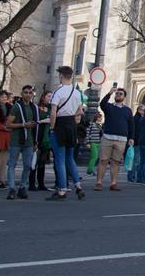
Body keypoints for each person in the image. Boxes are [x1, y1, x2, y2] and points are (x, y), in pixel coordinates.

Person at [48, 67, 85, 200]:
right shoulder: (76, 92)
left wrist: (52, 127)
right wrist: (72, 114)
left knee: (60, 159)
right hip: (71, 125)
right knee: (70, 157)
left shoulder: (58, 92)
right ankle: (78, 186)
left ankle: (62, 189)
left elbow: (53, 112)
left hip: (60, 125)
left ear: (61, 76)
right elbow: (80, 111)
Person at [94, 84, 134, 192]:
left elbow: (131, 125)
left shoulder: (128, 110)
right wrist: (110, 93)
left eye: (120, 94)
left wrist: (131, 137)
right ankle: (99, 182)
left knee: (116, 162)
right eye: (117, 93)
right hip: (107, 137)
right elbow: (102, 103)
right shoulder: (109, 107)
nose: (118, 95)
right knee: (103, 161)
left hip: (121, 139)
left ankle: (113, 183)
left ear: (124, 97)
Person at [5, 85, 38, 200]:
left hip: (29, 141)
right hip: (16, 140)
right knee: (12, 164)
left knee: (28, 165)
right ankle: (12, 188)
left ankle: (22, 187)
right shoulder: (16, 107)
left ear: (32, 94)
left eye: (30, 92)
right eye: (26, 92)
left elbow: (35, 126)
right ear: (22, 94)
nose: (28, 94)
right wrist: (23, 125)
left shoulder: (34, 107)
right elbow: (8, 124)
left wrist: (36, 141)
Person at [29, 90, 52, 191]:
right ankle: (31, 183)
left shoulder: (51, 108)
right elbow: (33, 121)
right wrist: (42, 121)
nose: (50, 98)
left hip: (46, 136)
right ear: (43, 97)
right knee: (35, 159)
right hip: (38, 134)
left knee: (42, 161)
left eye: (51, 96)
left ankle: (41, 183)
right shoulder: (37, 108)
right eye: (48, 96)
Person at [127, 104, 145, 183]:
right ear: (139, 110)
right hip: (136, 141)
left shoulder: (137, 118)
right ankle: (131, 176)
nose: (144, 112)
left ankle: (132, 176)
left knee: (134, 160)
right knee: (135, 160)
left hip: (136, 141)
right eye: (143, 110)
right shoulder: (137, 119)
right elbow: (135, 131)